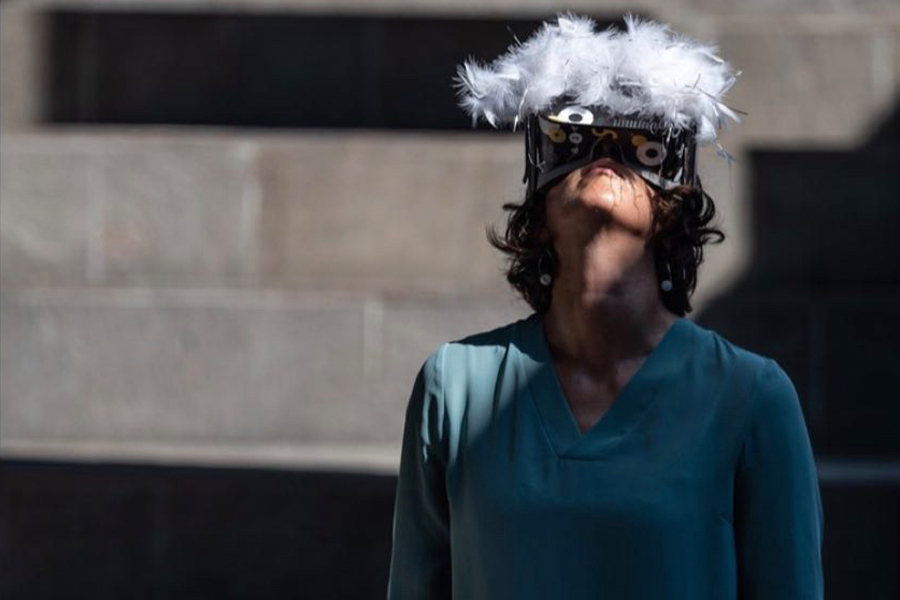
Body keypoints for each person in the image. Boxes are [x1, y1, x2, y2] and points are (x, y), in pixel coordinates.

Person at [387, 14, 824, 600]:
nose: (605, 154)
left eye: (634, 142)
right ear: (538, 211)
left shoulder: (753, 399)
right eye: (578, 140)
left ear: (674, 208)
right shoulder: (456, 388)